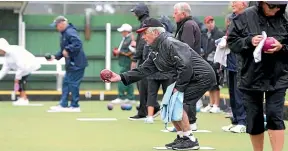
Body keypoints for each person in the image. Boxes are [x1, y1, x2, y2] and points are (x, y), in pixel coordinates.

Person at [102, 18, 216, 150]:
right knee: (168, 103)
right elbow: (143, 70)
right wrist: (120, 77)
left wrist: (178, 87)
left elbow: (186, 66)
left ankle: (190, 139)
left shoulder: (170, 43)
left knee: (175, 103)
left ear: (155, 32)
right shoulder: (156, 49)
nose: (143, 37)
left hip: (201, 77)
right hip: (189, 76)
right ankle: (181, 136)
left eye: (145, 33)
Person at [227, 1, 288, 151]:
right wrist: (249, 41)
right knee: (254, 119)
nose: (276, 9)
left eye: (280, 6)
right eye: (272, 6)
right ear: (262, 3)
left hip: (278, 75)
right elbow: (232, 42)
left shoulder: (285, 18)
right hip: (251, 75)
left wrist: (282, 47)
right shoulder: (244, 17)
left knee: (275, 115)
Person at [48, 16, 88, 112]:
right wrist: (56, 56)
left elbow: (78, 43)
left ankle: (75, 106)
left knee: (73, 84)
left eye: (57, 25)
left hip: (77, 63)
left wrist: (68, 49)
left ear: (62, 23)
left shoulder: (70, 32)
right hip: (71, 63)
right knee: (66, 83)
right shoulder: (64, 33)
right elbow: (63, 50)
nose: (56, 28)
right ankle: (63, 104)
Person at [172, 2, 202, 131]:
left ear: (183, 14)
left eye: (175, 13)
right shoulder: (185, 25)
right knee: (184, 95)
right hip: (187, 66)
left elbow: (185, 48)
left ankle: (190, 123)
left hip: (189, 67)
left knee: (185, 95)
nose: (173, 16)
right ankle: (188, 122)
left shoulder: (188, 25)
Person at [221, 1, 248, 133]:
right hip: (230, 61)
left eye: (235, 2)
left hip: (241, 62)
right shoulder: (233, 18)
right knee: (232, 92)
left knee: (239, 93)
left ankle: (243, 121)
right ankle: (236, 120)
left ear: (243, 4)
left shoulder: (248, 19)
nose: (232, 4)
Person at [143, 16, 175, 124]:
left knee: (152, 94)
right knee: (167, 94)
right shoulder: (170, 39)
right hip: (165, 72)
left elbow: (145, 56)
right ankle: (168, 116)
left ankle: (150, 116)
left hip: (155, 72)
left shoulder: (150, 41)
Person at [0, 38, 41, 106]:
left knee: (19, 81)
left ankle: (24, 99)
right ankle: (22, 98)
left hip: (29, 65)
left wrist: (17, 78)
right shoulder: (7, 55)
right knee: (19, 81)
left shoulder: (14, 52)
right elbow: (5, 69)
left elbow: (22, 65)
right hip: (23, 68)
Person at [128, 3, 151, 120]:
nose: (134, 14)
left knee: (142, 84)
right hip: (147, 57)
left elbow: (142, 43)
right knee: (144, 84)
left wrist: (135, 58)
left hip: (145, 58)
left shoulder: (145, 23)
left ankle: (143, 111)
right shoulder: (146, 22)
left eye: (135, 12)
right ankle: (150, 107)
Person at [200, 16, 225, 114]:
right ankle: (211, 104)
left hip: (217, 61)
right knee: (210, 84)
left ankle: (216, 105)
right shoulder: (205, 34)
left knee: (216, 84)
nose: (210, 24)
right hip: (207, 62)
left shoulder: (219, 34)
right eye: (208, 22)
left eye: (211, 22)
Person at [110, 23, 136, 104]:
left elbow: (133, 51)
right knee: (128, 79)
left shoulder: (130, 39)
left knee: (121, 78)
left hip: (127, 62)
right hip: (124, 62)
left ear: (127, 31)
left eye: (123, 31)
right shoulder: (126, 39)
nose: (122, 33)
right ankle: (130, 97)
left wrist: (119, 52)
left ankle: (121, 97)